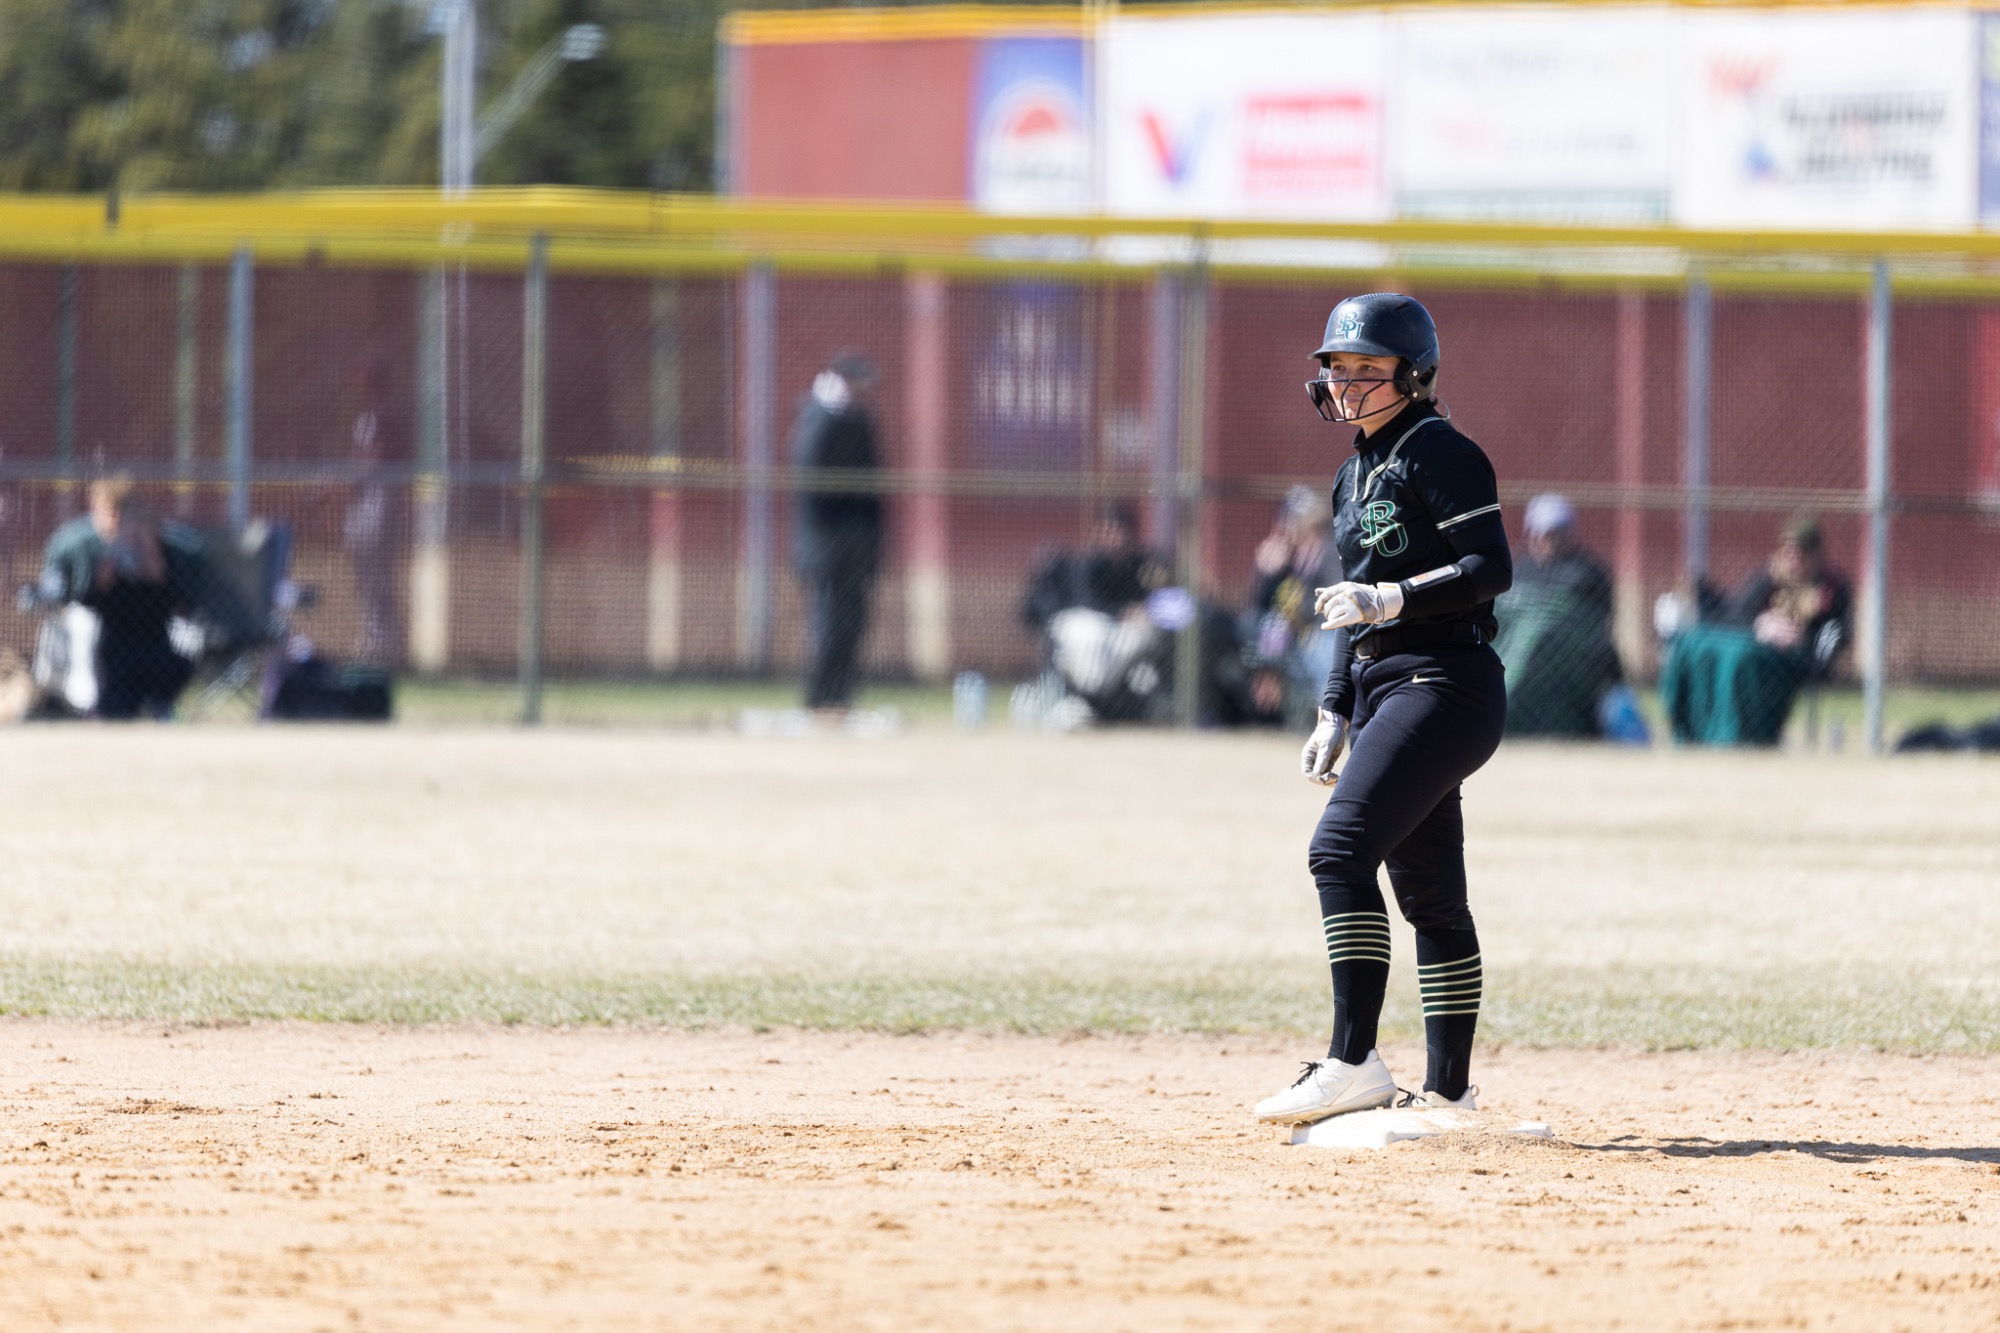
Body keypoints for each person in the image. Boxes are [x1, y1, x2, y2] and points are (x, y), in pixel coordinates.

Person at [1254, 292, 1513, 1125]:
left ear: (1414, 375)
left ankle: (1352, 1059)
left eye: (1369, 367)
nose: (1348, 381)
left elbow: (1491, 567)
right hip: (1384, 687)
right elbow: (1349, 606)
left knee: (1338, 851)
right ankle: (1450, 1094)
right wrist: (1333, 707)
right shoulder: (1352, 471)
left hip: (1446, 682)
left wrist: (1395, 597)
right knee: (1431, 895)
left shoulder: (1440, 450)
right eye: (1339, 366)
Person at [1659, 518, 1850, 746]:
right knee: (1693, 644)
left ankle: (1743, 735)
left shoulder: (1832, 588)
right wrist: (1762, 624)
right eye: (1789, 552)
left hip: (1797, 657)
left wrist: (1803, 640)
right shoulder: (1769, 577)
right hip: (1758, 646)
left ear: (1816, 555)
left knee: (1742, 657)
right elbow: (1735, 614)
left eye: (1801, 554)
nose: (1794, 560)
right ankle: (1695, 732)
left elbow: (1837, 632)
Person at [36, 477, 196, 720]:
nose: (118, 520)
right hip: (90, 622)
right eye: (111, 512)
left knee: (188, 637)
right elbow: (59, 593)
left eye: (125, 512)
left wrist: (148, 552)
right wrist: (106, 569)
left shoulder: (161, 541)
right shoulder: (74, 541)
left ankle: (161, 704)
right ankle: (86, 702)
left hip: (152, 631)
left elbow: (179, 596)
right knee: (86, 626)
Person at [791, 353, 885, 715]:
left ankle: (841, 695)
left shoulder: (859, 420)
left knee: (852, 624)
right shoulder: (817, 419)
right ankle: (820, 698)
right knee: (828, 623)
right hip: (827, 545)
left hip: (856, 544)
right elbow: (813, 481)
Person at [1491, 493, 1624, 738]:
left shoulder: (1587, 572)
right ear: (1531, 532)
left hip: (1573, 672)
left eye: (1557, 532)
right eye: (1544, 533)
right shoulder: (1516, 570)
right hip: (1512, 667)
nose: (1549, 540)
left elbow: (1599, 624)